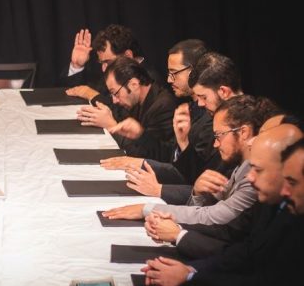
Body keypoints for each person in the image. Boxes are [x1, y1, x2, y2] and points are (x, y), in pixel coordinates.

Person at [142, 127, 304, 286]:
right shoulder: (274, 204)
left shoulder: (288, 210)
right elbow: (245, 250)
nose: (250, 177)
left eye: (257, 169)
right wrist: (191, 270)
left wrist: (191, 277)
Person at [103, 95, 280, 226]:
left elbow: (213, 217)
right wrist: (196, 192)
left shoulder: (251, 174)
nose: (215, 143)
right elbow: (204, 205)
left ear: (244, 132)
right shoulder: (239, 165)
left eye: (218, 136)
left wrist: (148, 209)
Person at [145, 121, 302, 258]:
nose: (252, 141)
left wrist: (175, 231)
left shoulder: (278, 205)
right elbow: (228, 232)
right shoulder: (264, 200)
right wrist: (176, 230)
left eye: (263, 134)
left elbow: (219, 221)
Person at [101, 39, 219, 187]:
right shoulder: (189, 107)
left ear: (195, 71)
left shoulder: (210, 116)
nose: (169, 79)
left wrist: (142, 164)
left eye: (174, 73)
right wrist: (140, 135)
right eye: (169, 73)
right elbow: (170, 154)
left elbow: (194, 176)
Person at [77, 56, 178, 162]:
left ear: (134, 84)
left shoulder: (162, 106)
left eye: (115, 93)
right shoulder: (136, 99)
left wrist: (111, 126)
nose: (114, 100)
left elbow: (148, 156)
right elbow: (121, 117)